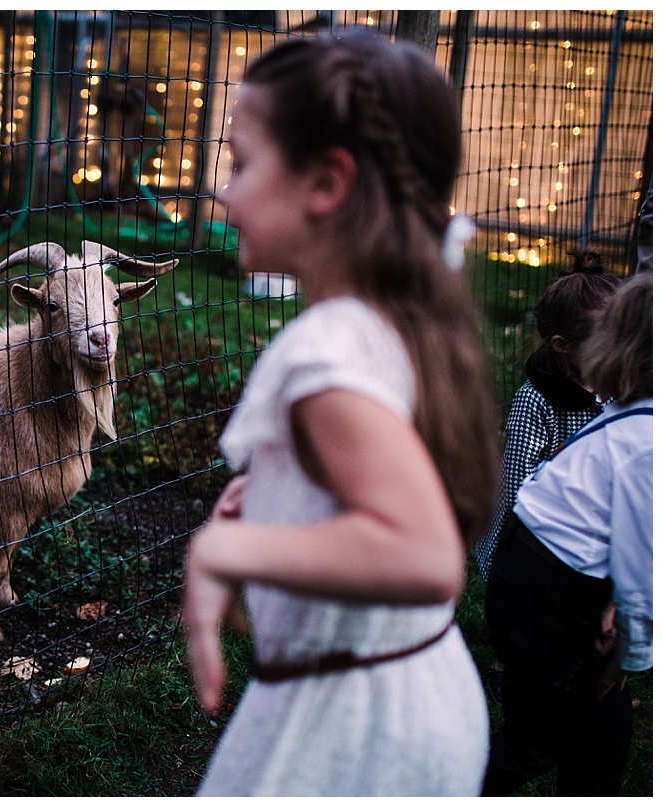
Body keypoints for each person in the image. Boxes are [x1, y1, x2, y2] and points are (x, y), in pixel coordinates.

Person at [182, 30, 500, 796]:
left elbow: (424, 557)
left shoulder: (323, 352)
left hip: (355, 731)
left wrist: (227, 552)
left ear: (325, 182)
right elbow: (383, 477)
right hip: (417, 691)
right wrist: (280, 501)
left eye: (240, 164)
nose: (222, 191)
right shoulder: (396, 315)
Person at [482, 271, 652, 796]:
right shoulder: (645, 442)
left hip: (557, 576)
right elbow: (642, 569)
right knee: (537, 739)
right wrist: (630, 654)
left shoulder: (629, 412)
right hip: (541, 584)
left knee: (603, 738)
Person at [473, 248, 620, 699]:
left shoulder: (616, 391)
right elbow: (517, 484)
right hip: (531, 532)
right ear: (563, 346)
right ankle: (507, 661)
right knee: (525, 607)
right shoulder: (537, 401)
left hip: (590, 524)